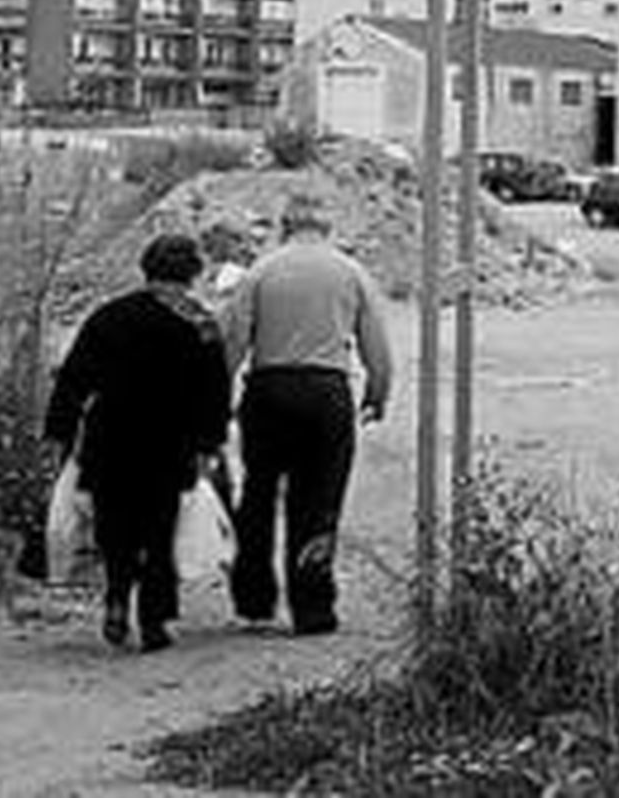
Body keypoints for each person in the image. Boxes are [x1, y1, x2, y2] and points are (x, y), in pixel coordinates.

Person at [43, 233, 232, 653]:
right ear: (192, 273)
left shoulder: (110, 316)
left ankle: (115, 596)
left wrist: (59, 432)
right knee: (160, 529)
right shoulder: (199, 323)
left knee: (115, 526)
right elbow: (214, 391)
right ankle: (153, 619)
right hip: (170, 442)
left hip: (110, 437)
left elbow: (74, 378)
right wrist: (211, 443)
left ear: (146, 268)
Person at [219, 193, 392, 636]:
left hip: (269, 391)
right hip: (326, 394)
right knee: (318, 502)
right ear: (327, 227)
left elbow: (234, 341)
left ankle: (255, 599)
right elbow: (377, 345)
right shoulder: (351, 273)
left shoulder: (261, 271)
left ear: (285, 226)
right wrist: (377, 392)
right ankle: (312, 607)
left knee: (257, 496)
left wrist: (218, 398)